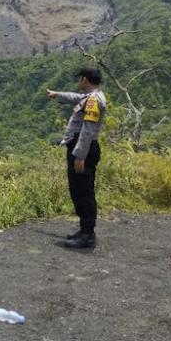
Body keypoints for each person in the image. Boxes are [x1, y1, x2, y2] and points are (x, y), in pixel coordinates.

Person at [47, 67, 107, 249]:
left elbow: (88, 130)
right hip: (81, 148)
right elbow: (74, 97)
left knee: (84, 191)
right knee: (78, 189)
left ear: (85, 79)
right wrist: (57, 94)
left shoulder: (93, 101)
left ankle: (88, 235)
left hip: (83, 150)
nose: (78, 82)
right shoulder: (89, 97)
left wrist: (80, 155)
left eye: (80, 79)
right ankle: (84, 230)